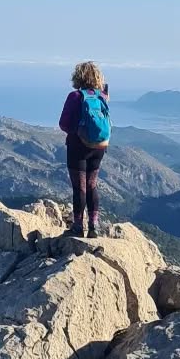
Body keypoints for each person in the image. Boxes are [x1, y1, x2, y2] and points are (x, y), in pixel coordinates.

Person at [58, 60, 111, 236]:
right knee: (92, 185)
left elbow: (63, 124)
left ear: (78, 76)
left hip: (77, 147)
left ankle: (78, 226)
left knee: (79, 187)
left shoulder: (75, 96)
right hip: (99, 147)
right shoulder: (102, 97)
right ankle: (94, 225)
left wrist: (77, 131)